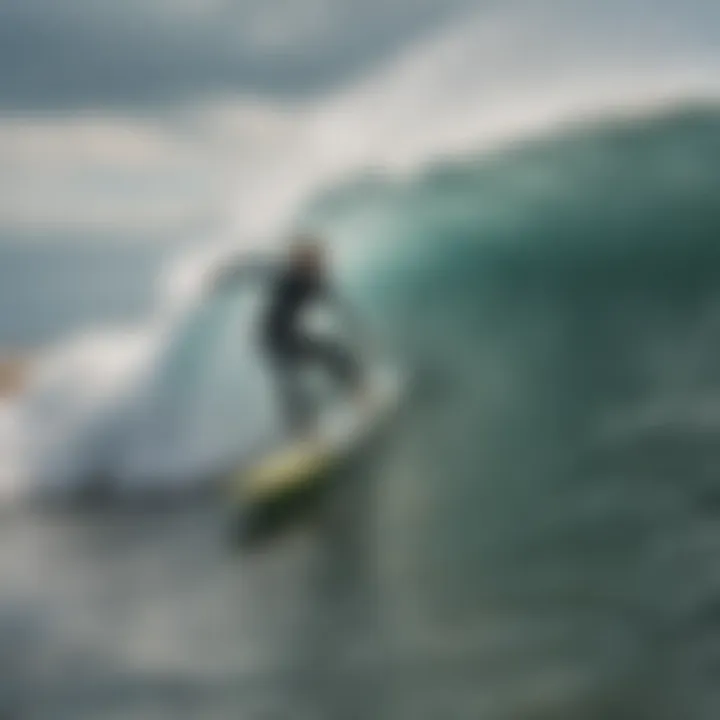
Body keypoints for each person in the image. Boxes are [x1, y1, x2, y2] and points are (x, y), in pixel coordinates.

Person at [209, 234, 365, 435]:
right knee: (293, 382)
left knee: (333, 355)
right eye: (305, 259)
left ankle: (358, 396)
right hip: (270, 336)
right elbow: (251, 268)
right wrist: (223, 275)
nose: (312, 264)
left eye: (314, 260)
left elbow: (339, 306)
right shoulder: (284, 272)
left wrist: (356, 328)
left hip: (288, 333)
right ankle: (307, 430)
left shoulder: (317, 281)